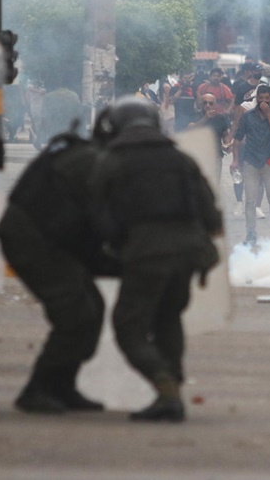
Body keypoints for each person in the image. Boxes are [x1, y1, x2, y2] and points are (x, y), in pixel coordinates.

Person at [91, 97, 223, 422]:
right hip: (188, 253)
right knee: (167, 318)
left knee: (128, 328)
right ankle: (172, 391)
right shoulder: (181, 159)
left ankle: (166, 390)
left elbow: (96, 217)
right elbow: (212, 215)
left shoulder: (110, 161)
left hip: (146, 253)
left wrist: (118, 246)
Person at [0, 128, 109, 414]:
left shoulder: (91, 156)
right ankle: (37, 390)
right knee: (75, 312)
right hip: (33, 240)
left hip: (49, 238)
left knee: (92, 306)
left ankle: (63, 386)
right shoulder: (91, 162)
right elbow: (101, 223)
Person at [231, 84, 270, 245]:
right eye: (260, 98)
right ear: (255, 99)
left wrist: (269, 114)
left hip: (269, 160)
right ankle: (251, 234)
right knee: (250, 201)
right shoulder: (247, 117)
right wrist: (235, 160)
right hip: (251, 161)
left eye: (266, 99)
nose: (263, 101)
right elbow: (238, 138)